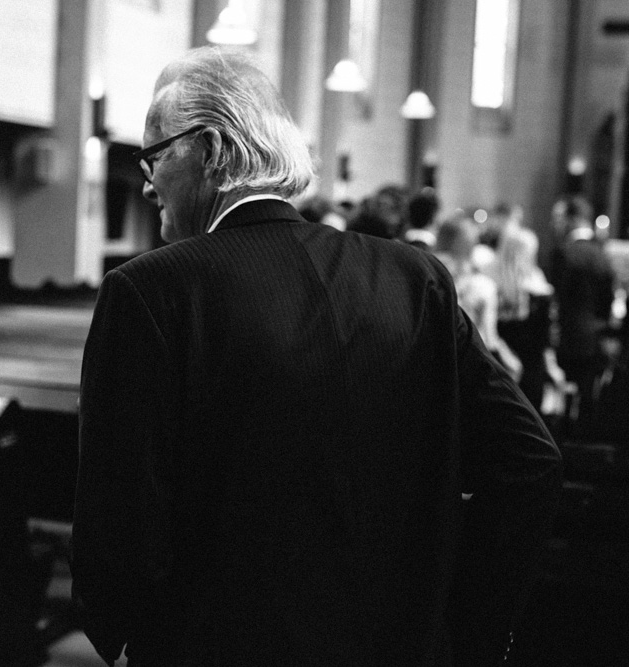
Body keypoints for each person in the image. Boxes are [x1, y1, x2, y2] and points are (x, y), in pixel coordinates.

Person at [72, 46, 561, 667]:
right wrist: (467, 633)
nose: (144, 181)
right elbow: (529, 463)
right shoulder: (413, 280)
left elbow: (117, 529)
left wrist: (126, 639)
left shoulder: (152, 292)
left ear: (214, 149)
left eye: (154, 155)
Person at [551, 194, 616, 435]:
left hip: (568, 334)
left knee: (564, 397)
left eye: (559, 218)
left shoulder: (565, 252)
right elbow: (608, 299)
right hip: (594, 335)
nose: (555, 224)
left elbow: (558, 298)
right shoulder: (602, 254)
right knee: (587, 396)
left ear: (572, 219)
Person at [434, 215, 523, 381]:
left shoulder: (427, 276)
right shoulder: (482, 285)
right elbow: (489, 338)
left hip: (432, 362)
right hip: (467, 365)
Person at [490, 226, 564, 414]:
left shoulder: (492, 285)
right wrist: (553, 367)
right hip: (532, 366)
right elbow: (546, 336)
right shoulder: (539, 287)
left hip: (500, 365)